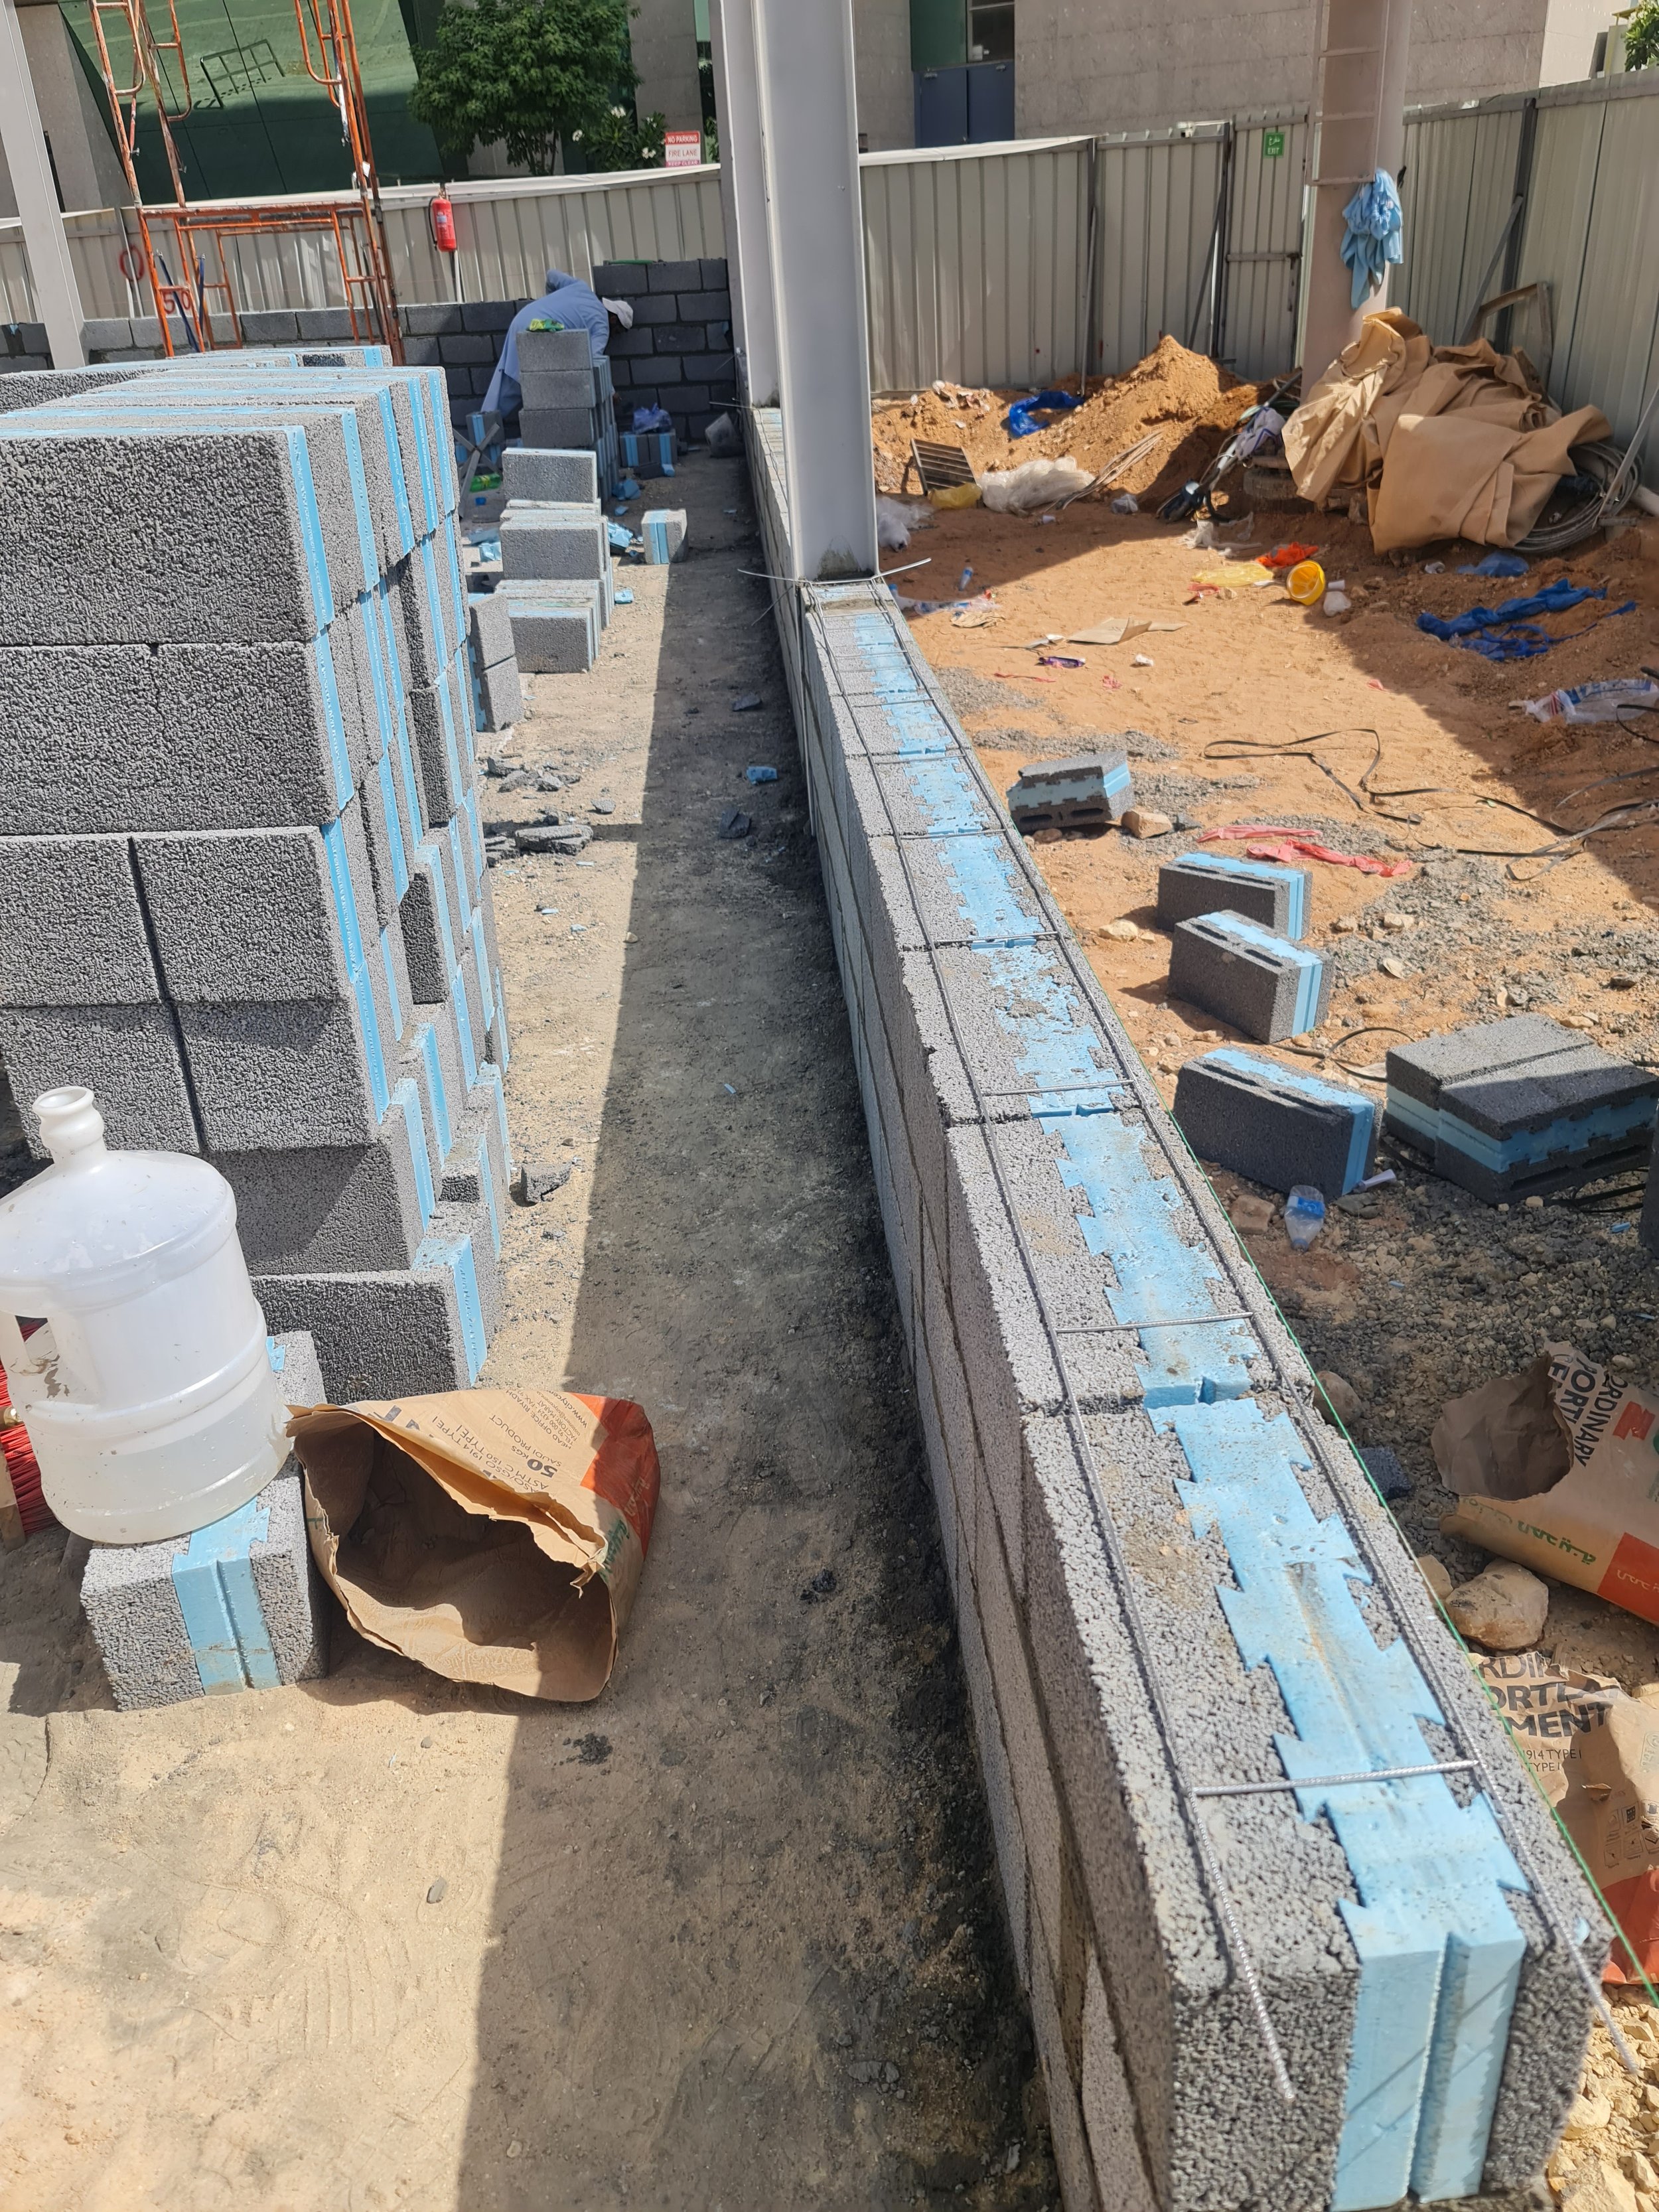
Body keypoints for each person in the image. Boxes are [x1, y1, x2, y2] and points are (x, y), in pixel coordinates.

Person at [482, 266, 612, 422]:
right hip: (540, 333)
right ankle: (486, 434)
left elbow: (552, 275)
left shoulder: (582, 288)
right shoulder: (602, 325)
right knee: (534, 389)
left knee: (506, 383)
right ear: (614, 319)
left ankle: (482, 426)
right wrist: (610, 392)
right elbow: (594, 360)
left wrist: (550, 303)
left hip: (524, 320)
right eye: (619, 329)